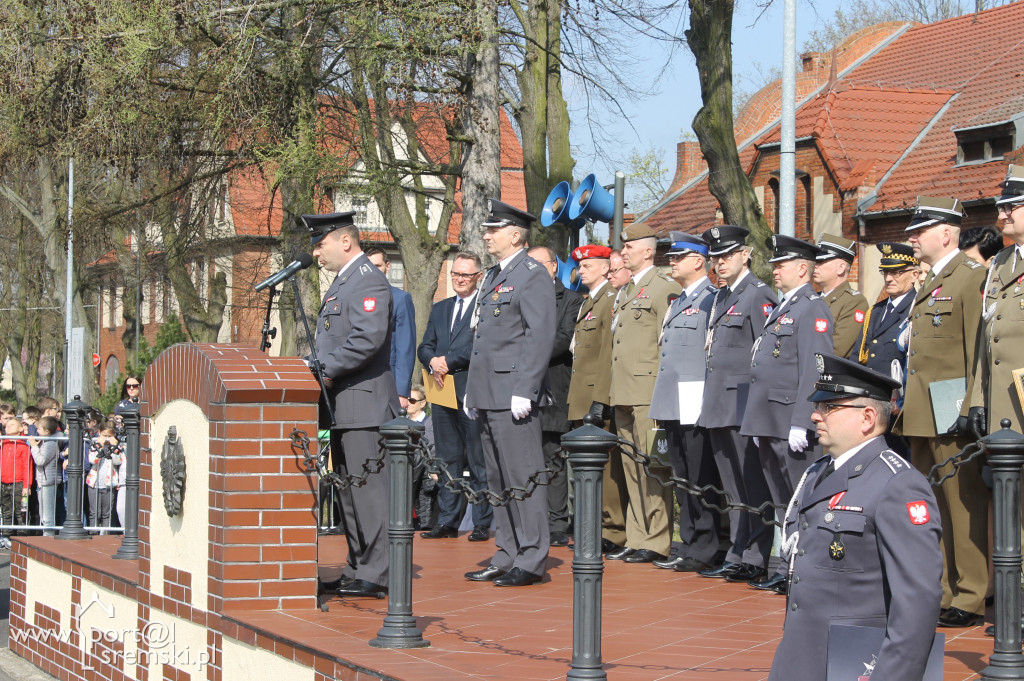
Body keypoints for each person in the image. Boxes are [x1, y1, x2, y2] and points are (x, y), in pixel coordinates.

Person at [768, 353, 942, 681]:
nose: (816, 416)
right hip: (802, 658)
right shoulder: (818, 472)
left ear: (866, 418)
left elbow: (917, 602)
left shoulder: (898, 485)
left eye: (829, 407)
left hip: (857, 666)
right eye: (818, 406)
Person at [897, 196, 988, 628]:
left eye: (920, 231)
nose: (912, 237)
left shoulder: (970, 278)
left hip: (952, 409)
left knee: (962, 503)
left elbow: (977, 351)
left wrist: (974, 405)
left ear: (947, 233)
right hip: (920, 410)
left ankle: (970, 594)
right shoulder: (931, 278)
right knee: (932, 506)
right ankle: (945, 588)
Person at [305, 211, 399, 598]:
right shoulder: (343, 283)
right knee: (347, 492)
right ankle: (359, 565)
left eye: (320, 243)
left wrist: (321, 367)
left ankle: (377, 573)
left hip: (364, 405)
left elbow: (367, 339)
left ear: (345, 241)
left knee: (368, 493)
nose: (315, 253)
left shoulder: (367, 281)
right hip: (342, 405)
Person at [463, 198, 556, 587]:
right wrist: (472, 389)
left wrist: (526, 388)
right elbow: (481, 339)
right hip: (487, 391)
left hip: (513, 392)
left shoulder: (532, 274)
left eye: (493, 230)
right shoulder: (494, 275)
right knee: (497, 479)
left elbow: (539, 335)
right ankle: (507, 552)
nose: (486, 236)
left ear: (515, 235)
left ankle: (531, 557)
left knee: (523, 476)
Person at [741, 234, 834, 593]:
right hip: (769, 419)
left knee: (800, 498)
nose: (774, 270)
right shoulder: (786, 305)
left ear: (801, 268)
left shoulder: (811, 307)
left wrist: (802, 421)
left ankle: (804, 570)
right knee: (782, 500)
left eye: (781, 264)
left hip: (789, 421)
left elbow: (814, 369)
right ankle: (787, 566)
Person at [697, 225, 777, 581]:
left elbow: (765, 354)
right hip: (718, 401)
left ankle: (756, 556)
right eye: (716, 256)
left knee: (751, 483)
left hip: (743, 402)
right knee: (732, 486)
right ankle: (738, 550)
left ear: (746, 255)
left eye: (728, 254)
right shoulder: (722, 296)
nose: (720, 262)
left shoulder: (757, 294)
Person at [607, 223, 681, 564]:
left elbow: (668, 344)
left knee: (653, 468)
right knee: (631, 467)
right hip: (623, 391)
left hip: (647, 393)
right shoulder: (627, 290)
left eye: (629, 248)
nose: (624, 253)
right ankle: (638, 537)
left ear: (648, 251)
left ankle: (656, 540)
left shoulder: (662, 288)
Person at [647, 232, 721, 572]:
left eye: (679, 257)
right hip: (673, 401)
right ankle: (690, 544)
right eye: (671, 257)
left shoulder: (712, 298)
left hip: (696, 401)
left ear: (698, 261)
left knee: (699, 477)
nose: (671, 262)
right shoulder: (678, 301)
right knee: (681, 477)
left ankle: (705, 547)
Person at [416, 251, 493, 541]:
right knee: (447, 460)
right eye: (456, 274)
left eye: (466, 275)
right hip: (441, 392)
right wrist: (432, 361)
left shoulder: (485, 307)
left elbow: (479, 343)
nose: (460, 279)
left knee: (477, 460)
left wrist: (449, 360)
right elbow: (425, 345)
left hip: (470, 392)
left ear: (478, 277)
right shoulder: (440, 308)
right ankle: (448, 521)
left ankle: (483, 522)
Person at [566, 244, 628, 554]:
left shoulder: (609, 300)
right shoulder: (588, 301)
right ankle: (594, 527)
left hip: (596, 396)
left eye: (588, 265)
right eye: (581, 265)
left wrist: (599, 400)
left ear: (605, 268)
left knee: (606, 471)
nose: (581, 270)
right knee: (588, 471)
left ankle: (613, 530)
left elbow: (607, 353)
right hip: (581, 394)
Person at [528, 245, 583, 547]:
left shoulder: (572, 300)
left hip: (554, 387)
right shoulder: (521, 296)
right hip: (521, 389)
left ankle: (557, 521)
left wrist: (526, 355)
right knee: (527, 457)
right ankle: (532, 520)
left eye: (539, 264)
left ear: (553, 267)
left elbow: (563, 339)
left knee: (553, 458)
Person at [849, 242, 920, 457]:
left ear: (915, 274)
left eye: (897, 272)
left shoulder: (916, 309)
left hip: (897, 409)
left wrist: (903, 402)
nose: (889, 278)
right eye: (886, 272)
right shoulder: (875, 311)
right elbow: (858, 358)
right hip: (871, 405)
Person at [365, 247, 417, 410]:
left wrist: (401, 392)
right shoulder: (354, 298)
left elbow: (405, 347)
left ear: (388, 266)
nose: (373, 271)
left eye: (378, 266)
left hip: (389, 380)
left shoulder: (401, 299)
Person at [813, 233, 868, 358]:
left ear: (841, 268)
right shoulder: (812, 298)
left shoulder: (854, 302)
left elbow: (837, 349)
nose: (815, 266)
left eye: (821, 261)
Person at [404, 387, 438, 532]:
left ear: (422, 403)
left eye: (412, 400)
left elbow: (434, 449)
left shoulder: (431, 424)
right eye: (407, 400)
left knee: (425, 499)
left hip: (426, 471)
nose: (408, 403)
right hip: (405, 471)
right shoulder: (399, 423)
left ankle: (425, 526)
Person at [0, 417, 32, 548]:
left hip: (18, 482)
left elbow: (27, 467)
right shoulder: (3, 444)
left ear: (20, 429)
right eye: (7, 425)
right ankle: (6, 535)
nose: (8, 426)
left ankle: (21, 536)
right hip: (4, 482)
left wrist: (27, 485)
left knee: (20, 511)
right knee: (6, 510)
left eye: (12, 425)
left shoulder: (23, 446)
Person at [30, 416, 60, 536]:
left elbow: (41, 460)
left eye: (39, 429)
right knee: (43, 514)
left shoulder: (51, 444)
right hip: (43, 481)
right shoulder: (45, 442)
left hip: (48, 481)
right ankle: (46, 535)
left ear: (47, 431)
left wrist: (34, 447)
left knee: (48, 514)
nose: (37, 431)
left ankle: (48, 537)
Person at [87, 425, 120, 532]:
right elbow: (93, 460)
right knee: (95, 512)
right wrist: (100, 446)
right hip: (94, 483)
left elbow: (117, 461)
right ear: (99, 433)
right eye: (104, 435)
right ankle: (94, 534)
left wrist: (114, 447)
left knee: (107, 514)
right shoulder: (95, 445)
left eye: (109, 436)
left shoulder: (115, 447)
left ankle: (105, 535)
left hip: (109, 484)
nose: (106, 438)